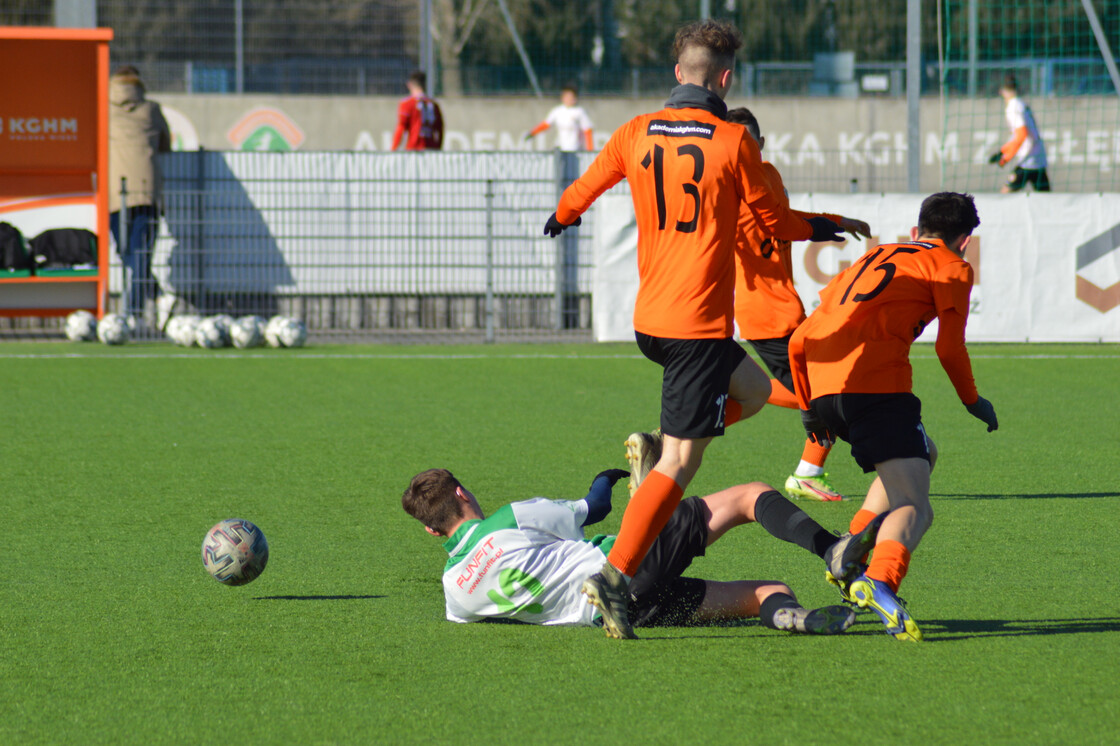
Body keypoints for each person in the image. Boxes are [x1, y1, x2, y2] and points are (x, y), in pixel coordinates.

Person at [542, 20, 844, 639]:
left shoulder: (633, 131)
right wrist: (825, 225)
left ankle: (659, 443)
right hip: (696, 328)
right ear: (726, 78)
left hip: (651, 322)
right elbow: (775, 222)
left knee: (755, 393)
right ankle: (615, 576)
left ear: (677, 72)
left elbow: (586, 186)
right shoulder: (734, 141)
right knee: (680, 465)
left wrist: (563, 214)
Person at [788, 191, 1000, 642]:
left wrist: (810, 410)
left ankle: (850, 550)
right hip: (875, 388)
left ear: (915, 231)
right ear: (964, 241)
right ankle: (880, 581)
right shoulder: (951, 265)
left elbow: (798, 338)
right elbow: (949, 346)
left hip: (826, 389)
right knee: (914, 506)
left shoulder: (875, 256)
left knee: (924, 452)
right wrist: (972, 401)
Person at [402, 467, 886, 634]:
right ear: (463, 494)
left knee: (767, 592)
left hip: (623, 612)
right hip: (622, 568)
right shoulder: (508, 519)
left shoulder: (454, 594)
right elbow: (591, 509)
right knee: (747, 496)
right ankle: (832, 549)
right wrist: (603, 479)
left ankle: (789, 616)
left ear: (431, 531)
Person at [724, 106, 871, 503]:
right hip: (765, 315)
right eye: (735, 145)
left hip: (786, 309)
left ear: (761, 144)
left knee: (824, 388)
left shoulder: (768, 175)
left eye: (748, 144)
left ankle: (807, 471)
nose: (742, 152)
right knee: (827, 392)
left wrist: (836, 220)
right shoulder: (725, 190)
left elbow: (785, 218)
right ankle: (805, 469)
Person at [108, 65, 173, 329]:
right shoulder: (152, 109)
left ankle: (137, 310)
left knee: (125, 251)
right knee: (141, 251)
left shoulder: (103, 109)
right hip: (146, 188)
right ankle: (151, 302)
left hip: (114, 191)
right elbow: (166, 145)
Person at [989, 74, 1049, 193]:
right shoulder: (1020, 104)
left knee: (1004, 194)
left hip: (1028, 160)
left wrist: (1006, 157)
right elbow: (1020, 136)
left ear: (1002, 91)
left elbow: (1022, 135)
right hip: (1038, 157)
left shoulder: (1013, 107)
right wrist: (1003, 151)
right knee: (1046, 199)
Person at [524, 85, 594, 152]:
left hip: (576, 150)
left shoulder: (579, 112)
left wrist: (590, 151)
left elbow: (587, 131)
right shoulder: (557, 111)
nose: (569, 99)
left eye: (571, 97)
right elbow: (546, 124)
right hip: (561, 149)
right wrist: (532, 133)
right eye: (566, 97)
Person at [391, 70, 444, 151]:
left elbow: (401, 127)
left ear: (409, 85)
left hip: (414, 150)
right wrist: (438, 147)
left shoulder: (407, 104)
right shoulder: (434, 105)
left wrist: (393, 148)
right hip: (431, 149)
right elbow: (440, 129)